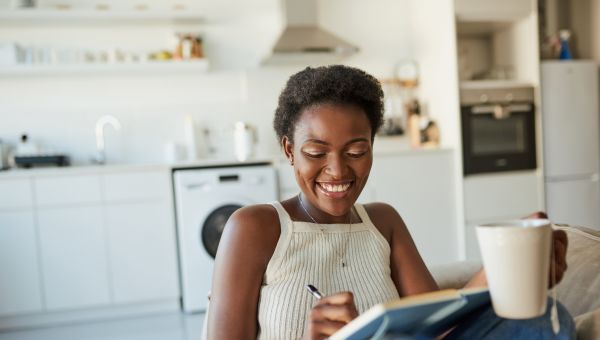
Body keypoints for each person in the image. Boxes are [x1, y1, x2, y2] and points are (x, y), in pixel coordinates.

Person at [207, 65, 573, 339]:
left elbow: (441, 322)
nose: (337, 170)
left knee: (544, 317)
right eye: (316, 152)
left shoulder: (383, 222)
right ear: (289, 149)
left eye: (356, 151)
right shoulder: (255, 227)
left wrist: (510, 265)